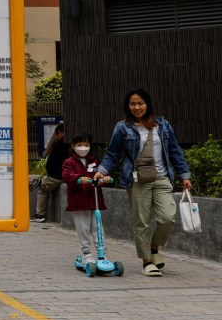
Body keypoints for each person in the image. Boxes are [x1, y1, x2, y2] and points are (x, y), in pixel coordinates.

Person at [94, 89, 192, 277]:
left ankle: (153, 248)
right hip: (137, 179)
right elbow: (113, 154)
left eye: (140, 103)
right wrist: (101, 171)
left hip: (162, 177)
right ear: (128, 106)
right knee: (142, 222)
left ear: (147, 104)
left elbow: (174, 150)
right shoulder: (122, 127)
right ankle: (147, 261)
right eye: (133, 104)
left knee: (167, 217)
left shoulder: (162, 125)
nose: (137, 107)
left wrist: (184, 175)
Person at [60, 131, 106, 270]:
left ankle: (102, 254)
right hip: (79, 201)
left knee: (98, 227)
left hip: (94, 199)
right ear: (73, 146)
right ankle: (86, 253)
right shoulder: (69, 162)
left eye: (86, 145)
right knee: (83, 228)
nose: (83, 147)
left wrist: (105, 178)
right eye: (80, 145)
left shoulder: (94, 161)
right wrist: (78, 178)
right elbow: (66, 175)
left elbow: (102, 172)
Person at [34, 122, 70, 222]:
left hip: (55, 177)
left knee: (42, 190)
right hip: (66, 176)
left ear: (60, 133)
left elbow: (52, 163)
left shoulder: (59, 144)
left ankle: (39, 215)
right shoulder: (70, 144)